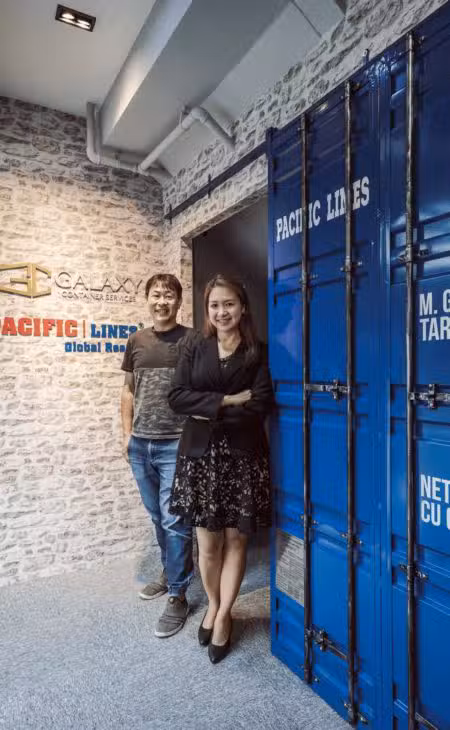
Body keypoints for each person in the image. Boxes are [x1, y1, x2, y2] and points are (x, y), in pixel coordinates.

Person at [168, 273, 274, 663]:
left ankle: (225, 614)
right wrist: (228, 401)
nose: (221, 311)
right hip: (200, 458)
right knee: (208, 545)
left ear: (242, 307)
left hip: (243, 457)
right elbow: (176, 397)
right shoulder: (194, 347)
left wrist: (206, 408)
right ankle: (212, 604)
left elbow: (259, 405)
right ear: (207, 310)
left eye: (229, 303)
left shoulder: (257, 352)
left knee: (236, 541)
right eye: (214, 305)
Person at [121, 273, 193, 638]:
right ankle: (170, 571)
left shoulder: (192, 339)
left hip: (175, 444)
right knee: (157, 516)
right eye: (156, 294)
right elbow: (128, 391)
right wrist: (126, 435)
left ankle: (178, 593)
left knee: (174, 519)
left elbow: (204, 388)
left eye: (168, 295)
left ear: (179, 301)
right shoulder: (136, 340)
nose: (161, 301)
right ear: (147, 299)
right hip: (140, 444)